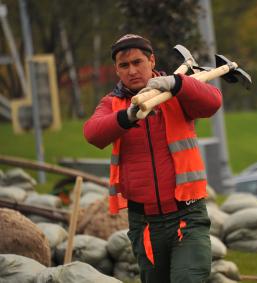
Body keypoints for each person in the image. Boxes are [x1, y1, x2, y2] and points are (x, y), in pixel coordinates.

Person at [83, 34, 222, 282]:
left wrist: (177, 84)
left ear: (152, 61)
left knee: (188, 278)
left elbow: (212, 102)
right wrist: (127, 117)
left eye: (138, 62)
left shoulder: (176, 93)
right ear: (116, 69)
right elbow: (92, 133)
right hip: (145, 224)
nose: (132, 70)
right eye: (124, 65)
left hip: (187, 217)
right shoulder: (112, 103)